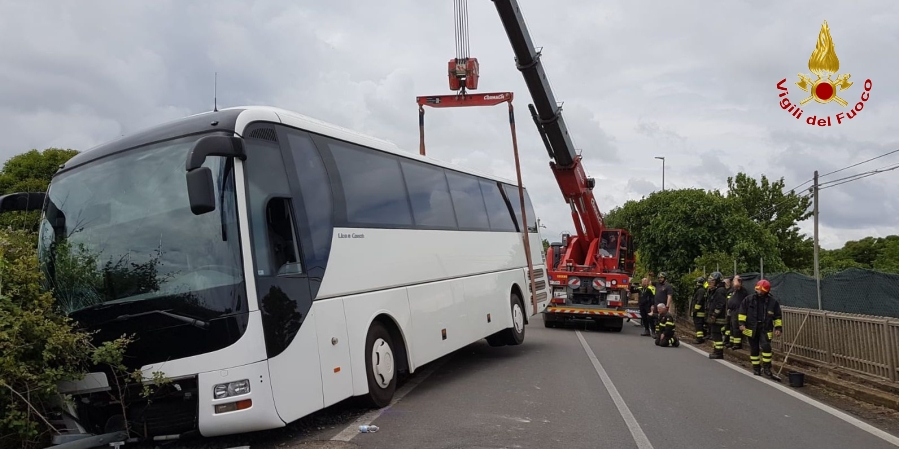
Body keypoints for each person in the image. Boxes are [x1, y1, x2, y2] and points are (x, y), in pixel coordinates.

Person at [739, 279, 783, 377]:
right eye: (758, 289)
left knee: (766, 347)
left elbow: (777, 316)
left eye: (762, 290)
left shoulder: (773, 302)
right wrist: (741, 324)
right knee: (754, 349)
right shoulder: (748, 299)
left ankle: (767, 368)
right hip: (751, 328)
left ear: (766, 291)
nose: (759, 292)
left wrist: (778, 328)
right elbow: (742, 312)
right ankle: (756, 368)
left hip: (765, 328)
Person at [705, 272, 729, 359]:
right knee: (715, 335)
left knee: (717, 335)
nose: (710, 283)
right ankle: (716, 351)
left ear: (717, 281)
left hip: (719, 318)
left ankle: (719, 353)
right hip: (716, 318)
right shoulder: (716, 290)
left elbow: (720, 304)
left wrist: (714, 314)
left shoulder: (720, 290)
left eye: (712, 281)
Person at [726, 275, 749, 350]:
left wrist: (736, 278)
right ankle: (731, 342)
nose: (733, 282)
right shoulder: (734, 291)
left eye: (734, 281)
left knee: (736, 327)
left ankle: (737, 344)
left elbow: (737, 285)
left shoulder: (741, 290)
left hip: (738, 310)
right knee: (732, 327)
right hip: (732, 311)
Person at [689, 276, 707, 343]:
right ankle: (699, 337)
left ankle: (699, 338)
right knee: (698, 325)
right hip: (698, 312)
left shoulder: (700, 291)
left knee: (698, 325)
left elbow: (699, 301)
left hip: (699, 312)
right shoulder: (700, 290)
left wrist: (695, 310)